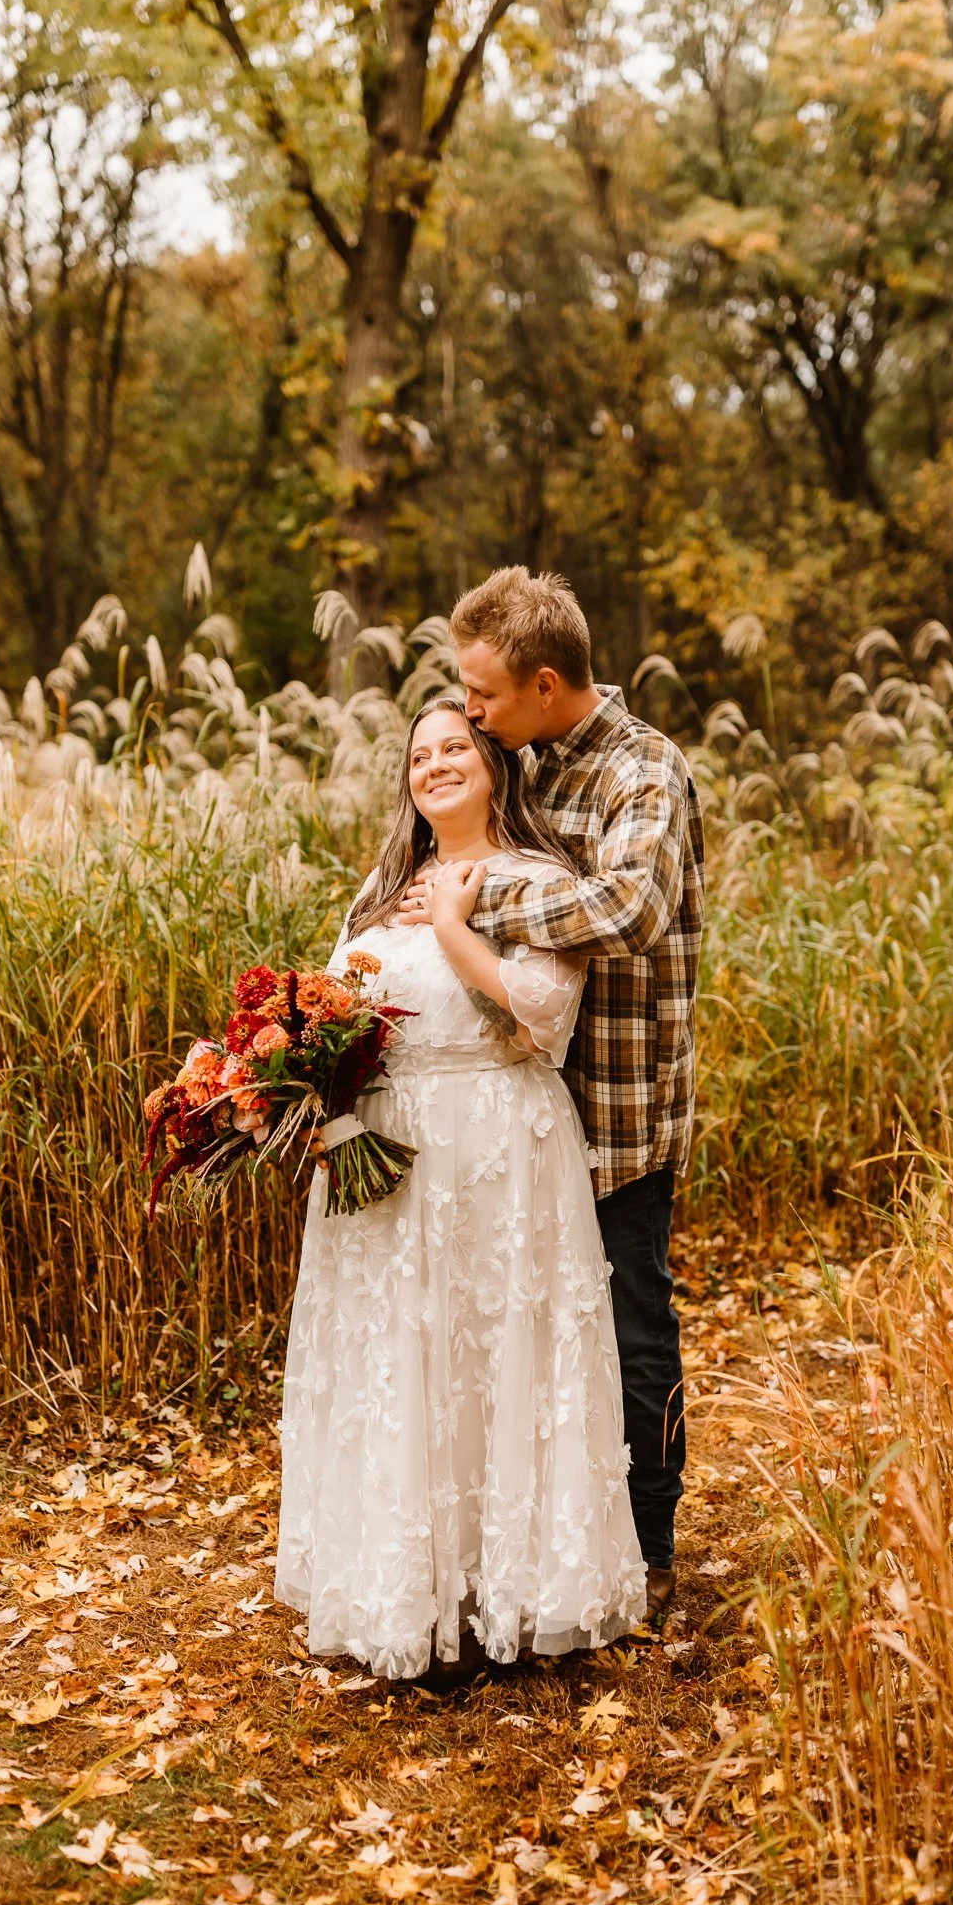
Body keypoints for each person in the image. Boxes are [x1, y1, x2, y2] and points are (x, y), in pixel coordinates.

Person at [274, 697, 646, 1684]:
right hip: (387, 1154)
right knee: (406, 1359)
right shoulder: (379, 887)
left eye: (455, 748)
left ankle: (502, 1599)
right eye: (420, 754)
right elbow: (334, 1005)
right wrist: (298, 1072)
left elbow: (542, 1018)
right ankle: (408, 1590)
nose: (435, 763)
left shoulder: (534, 879)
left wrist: (451, 923)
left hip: (497, 1147)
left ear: (492, 764)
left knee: (491, 1359)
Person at [398, 567, 705, 1618]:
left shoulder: (643, 770)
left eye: (478, 694)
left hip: (615, 1104)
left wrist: (485, 900)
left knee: (627, 1322)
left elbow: (624, 910)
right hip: (510, 1114)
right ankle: (540, 1540)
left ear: (539, 682)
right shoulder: (516, 759)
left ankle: (651, 1544)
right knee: (531, 1330)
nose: (466, 711)